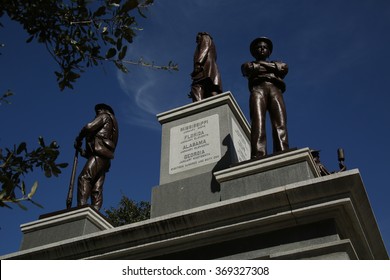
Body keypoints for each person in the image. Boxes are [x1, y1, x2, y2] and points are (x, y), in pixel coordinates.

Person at [241, 37, 289, 158]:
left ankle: (282, 151)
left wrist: (259, 66)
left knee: (280, 122)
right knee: (258, 122)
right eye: (259, 47)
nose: (262, 49)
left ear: (269, 51)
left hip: (275, 90)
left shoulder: (279, 63)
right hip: (258, 89)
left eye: (265, 47)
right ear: (254, 51)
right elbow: (248, 69)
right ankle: (258, 154)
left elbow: (284, 68)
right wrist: (273, 68)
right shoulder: (247, 64)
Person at [74, 103, 119, 211]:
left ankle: (81, 207)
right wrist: (83, 152)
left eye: (98, 110)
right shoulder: (111, 125)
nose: (97, 113)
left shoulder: (104, 116)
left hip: (99, 155)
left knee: (84, 178)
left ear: (104, 110)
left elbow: (89, 127)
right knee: (96, 187)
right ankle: (95, 210)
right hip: (104, 158)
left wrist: (79, 138)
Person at [190, 32, 223, 102]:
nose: (196, 41)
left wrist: (198, 63)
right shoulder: (212, 44)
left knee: (196, 86)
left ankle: (198, 108)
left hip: (204, 67)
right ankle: (218, 104)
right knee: (210, 89)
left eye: (197, 38)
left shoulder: (205, 37)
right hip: (210, 68)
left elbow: (204, 50)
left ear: (200, 35)